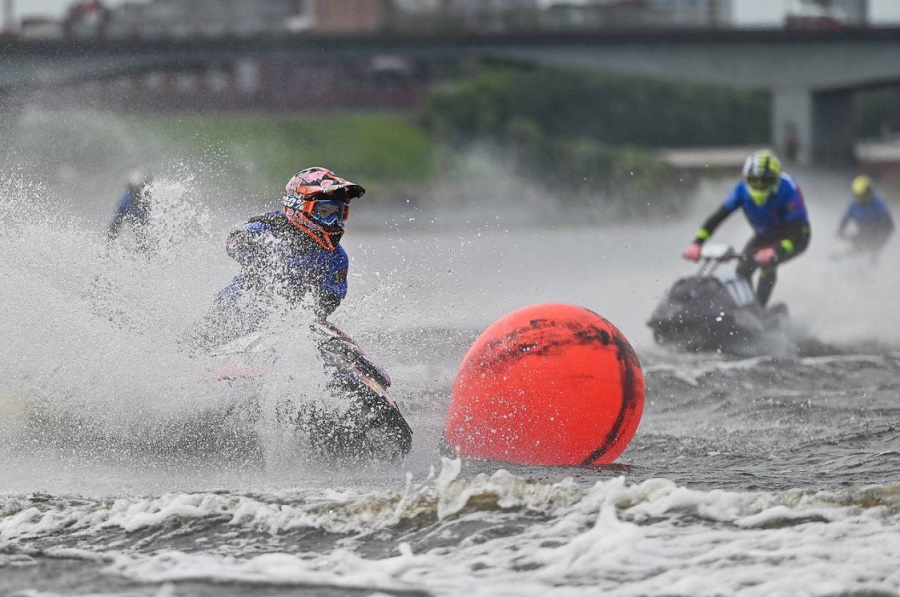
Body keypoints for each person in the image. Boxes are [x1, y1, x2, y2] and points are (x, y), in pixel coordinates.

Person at [193, 166, 365, 347]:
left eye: (339, 214)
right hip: (230, 316)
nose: (334, 223)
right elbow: (234, 242)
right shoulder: (273, 227)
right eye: (324, 213)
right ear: (299, 207)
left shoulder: (336, 257)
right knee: (194, 344)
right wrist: (253, 249)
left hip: (277, 329)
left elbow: (326, 304)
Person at [682, 149, 811, 307]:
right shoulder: (741, 190)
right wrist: (697, 243)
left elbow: (796, 234)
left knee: (768, 263)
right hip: (765, 235)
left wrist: (776, 251)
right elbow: (718, 217)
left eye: (765, 181)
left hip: (795, 236)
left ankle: (759, 310)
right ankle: (747, 307)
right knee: (742, 270)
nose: (758, 185)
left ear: (775, 180)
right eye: (754, 181)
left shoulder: (789, 190)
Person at [836, 175, 894, 263]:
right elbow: (845, 219)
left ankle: (874, 258)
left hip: (879, 229)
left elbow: (887, 225)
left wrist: (876, 241)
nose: (861, 199)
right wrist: (841, 231)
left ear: (870, 192)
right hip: (864, 229)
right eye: (858, 196)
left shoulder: (878, 204)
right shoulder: (853, 205)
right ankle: (841, 257)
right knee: (857, 244)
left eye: (863, 196)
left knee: (870, 246)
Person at [108, 170, 153, 243]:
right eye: (133, 190)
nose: (136, 193)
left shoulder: (153, 199)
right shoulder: (125, 202)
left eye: (140, 189)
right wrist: (110, 245)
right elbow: (115, 226)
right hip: (140, 234)